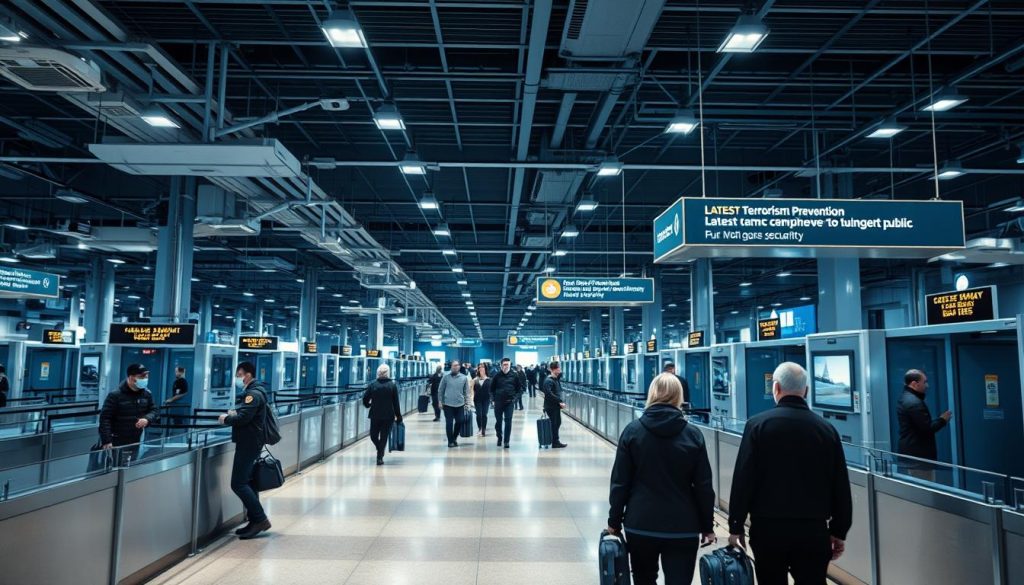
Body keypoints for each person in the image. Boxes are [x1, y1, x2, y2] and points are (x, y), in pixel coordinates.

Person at [728, 362, 852, 585]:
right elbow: (840, 484)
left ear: (775, 388)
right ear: (806, 390)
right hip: (812, 529)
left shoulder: (757, 426)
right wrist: (839, 530)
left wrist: (736, 525)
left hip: (767, 528)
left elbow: (743, 479)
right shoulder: (826, 430)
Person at [607, 373, 716, 585]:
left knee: (644, 579)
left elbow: (620, 482)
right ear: (679, 396)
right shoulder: (693, 434)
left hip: (640, 523)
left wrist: (614, 521)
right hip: (683, 526)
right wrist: (707, 526)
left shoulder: (632, 431)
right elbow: (703, 485)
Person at [219, 361, 272, 540]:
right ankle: (253, 520)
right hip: (251, 441)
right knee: (247, 482)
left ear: (247, 374)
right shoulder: (255, 392)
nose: (237, 378)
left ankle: (260, 519)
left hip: (249, 443)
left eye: (238, 374)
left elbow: (244, 418)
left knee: (238, 483)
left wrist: (226, 418)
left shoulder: (253, 394)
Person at [896, 369, 952, 481]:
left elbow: (919, 424)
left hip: (911, 454)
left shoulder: (905, 398)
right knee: (923, 491)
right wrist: (943, 420)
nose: (927, 385)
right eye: (924, 382)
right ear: (914, 384)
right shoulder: (914, 403)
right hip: (919, 459)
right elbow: (927, 428)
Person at [98, 363, 157, 464]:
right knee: (114, 469)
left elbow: (153, 410)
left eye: (146, 376)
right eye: (142, 376)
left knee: (130, 467)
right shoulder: (115, 395)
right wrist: (107, 440)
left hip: (135, 439)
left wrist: (147, 419)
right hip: (116, 441)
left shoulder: (147, 394)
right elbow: (105, 418)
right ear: (131, 377)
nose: (145, 378)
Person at [363, 363, 402, 466]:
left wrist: (368, 405)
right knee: (381, 436)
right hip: (386, 415)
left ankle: (379, 456)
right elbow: (396, 403)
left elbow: (365, 398)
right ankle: (380, 451)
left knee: (374, 435)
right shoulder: (392, 385)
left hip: (377, 415)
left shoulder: (374, 385)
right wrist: (398, 416)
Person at [491, 357, 525, 448]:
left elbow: (520, 389)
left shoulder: (515, 376)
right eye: (504, 364)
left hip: (509, 403)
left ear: (510, 365)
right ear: (501, 365)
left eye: (508, 364)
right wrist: (492, 400)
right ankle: (499, 437)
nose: (506, 366)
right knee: (498, 422)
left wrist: (515, 399)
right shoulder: (496, 376)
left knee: (508, 421)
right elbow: (491, 390)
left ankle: (506, 441)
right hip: (498, 403)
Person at [438, 359, 470, 447]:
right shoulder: (446, 377)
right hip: (447, 404)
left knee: (460, 421)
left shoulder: (464, 378)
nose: (455, 367)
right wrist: (440, 401)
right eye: (454, 365)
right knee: (449, 423)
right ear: (451, 367)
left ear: (459, 367)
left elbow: (466, 392)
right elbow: (441, 390)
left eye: (457, 365)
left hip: (460, 404)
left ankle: (454, 437)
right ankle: (450, 441)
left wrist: (468, 404)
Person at [541, 361, 567, 449]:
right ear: (554, 369)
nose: (560, 370)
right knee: (554, 424)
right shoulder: (548, 380)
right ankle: (555, 442)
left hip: (555, 406)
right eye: (558, 368)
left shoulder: (555, 379)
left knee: (557, 423)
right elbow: (549, 393)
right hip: (551, 407)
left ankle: (555, 441)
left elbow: (560, 375)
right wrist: (559, 401)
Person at [473, 364, 492, 437]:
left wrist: (492, 399)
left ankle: (483, 430)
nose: (481, 368)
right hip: (477, 399)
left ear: (485, 369)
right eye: (479, 367)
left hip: (486, 400)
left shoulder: (489, 380)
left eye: (482, 367)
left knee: (484, 414)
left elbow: (491, 390)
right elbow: (472, 390)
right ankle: (480, 428)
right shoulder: (475, 379)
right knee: (478, 415)